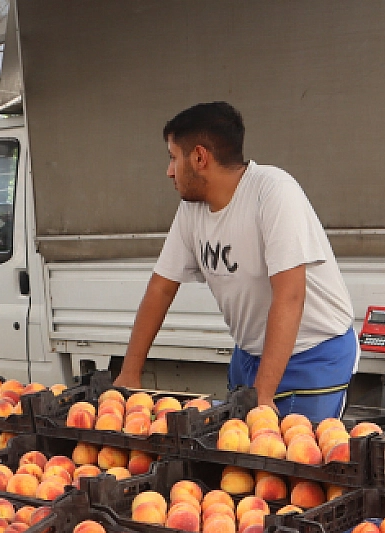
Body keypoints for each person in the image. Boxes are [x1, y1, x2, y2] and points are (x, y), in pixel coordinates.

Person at [115, 102, 357, 422]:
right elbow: (161, 288)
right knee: (240, 462)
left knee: (292, 466)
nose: (169, 171)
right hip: (248, 355)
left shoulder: (273, 192)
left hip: (312, 356)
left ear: (200, 158)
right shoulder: (192, 209)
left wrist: (264, 395)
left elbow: (290, 295)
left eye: (173, 158)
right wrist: (129, 375)